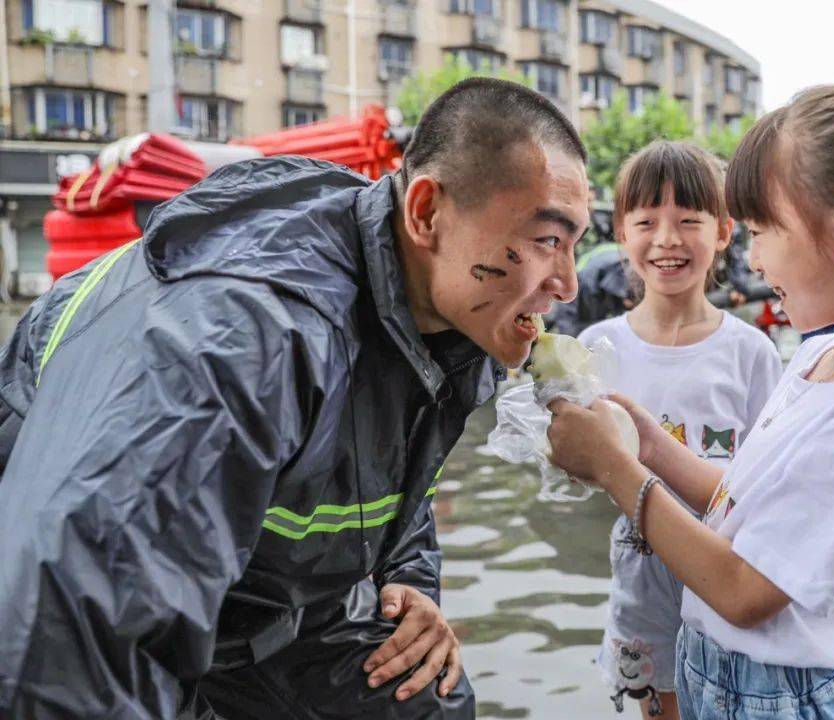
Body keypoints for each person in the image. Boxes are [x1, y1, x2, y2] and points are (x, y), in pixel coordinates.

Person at [0, 78, 590, 718]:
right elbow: (68, 641)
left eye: (574, 244)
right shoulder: (246, 339)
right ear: (425, 213)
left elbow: (388, 475)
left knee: (424, 695)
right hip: (66, 614)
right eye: (546, 242)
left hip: (266, 607)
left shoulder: (451, 324)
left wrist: (407, 583)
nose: (567, 284)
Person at [546, 85, 834, 719]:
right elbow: (739, 505)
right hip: (712, 669)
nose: (754, 260)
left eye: (763, 232)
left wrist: (617, 470)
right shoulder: (820, 357)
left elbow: (744, 590)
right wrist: (652, 445)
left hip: (776, 697)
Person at [577, 140, 781, 719]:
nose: (666, 239)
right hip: (640, 583)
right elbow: (580, 466)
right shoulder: (596, 350)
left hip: (724, 587)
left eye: (689, 221)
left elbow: (764, 489)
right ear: (622, 232)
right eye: (647, 222)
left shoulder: (752, 353)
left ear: (723, 232)